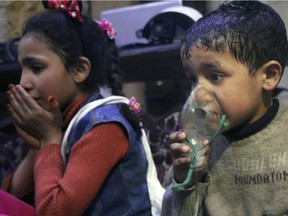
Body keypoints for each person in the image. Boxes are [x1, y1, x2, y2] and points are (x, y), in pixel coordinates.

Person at [3, 0, 164, 215]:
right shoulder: (61, 121)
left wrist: (50, 140)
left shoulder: (104, 126)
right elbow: (10, 203)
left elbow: (55, 211)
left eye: (37, 68)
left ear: (79, 69)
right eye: (22, 69)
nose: (24, 83)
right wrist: (37, 147)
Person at [161, 1, 288, 215]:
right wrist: (186, 180)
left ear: (268, 76)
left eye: (215, 76)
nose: (198, 94)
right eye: (193, 79)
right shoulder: (198, 145)